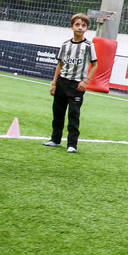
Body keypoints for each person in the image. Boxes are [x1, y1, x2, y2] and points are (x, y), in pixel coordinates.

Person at [44, 13, 98, 153]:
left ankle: (72, 144)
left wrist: (86, 81)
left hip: (77, 85)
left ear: (87, 28)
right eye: (77, 25)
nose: (80, 28)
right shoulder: (65, 44)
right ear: (71, 26)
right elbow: (60, 65)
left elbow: (95, 65)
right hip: (62, 82)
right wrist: (54, 83)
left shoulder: (88, 46)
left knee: (74, 115)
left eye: (83, 25)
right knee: (58, 113)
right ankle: (55, 139)